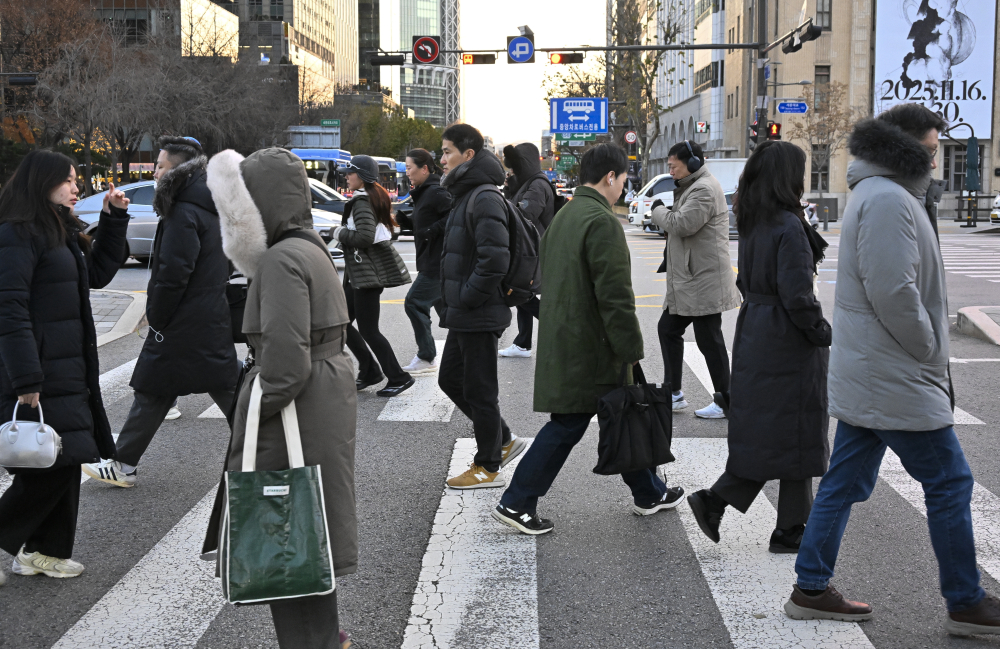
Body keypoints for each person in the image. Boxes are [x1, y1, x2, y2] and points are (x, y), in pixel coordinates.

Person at [786, 104, 1000, 636]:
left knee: (845, 481)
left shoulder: (886, 194)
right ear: (904, 149)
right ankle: (966, 602)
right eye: (931, 149)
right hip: (893, 371)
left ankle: (810, 587)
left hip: (876, 370)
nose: (936, 159)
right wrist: (929, 349)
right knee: (950, 481)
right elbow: (894, 292)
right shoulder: (887, 199)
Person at [205, 147, 356, 649]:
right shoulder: (308, 246)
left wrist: (253, 407)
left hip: (297, 406)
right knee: (307, 526)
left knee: (285, 533)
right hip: (321, 398)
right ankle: (325, 636)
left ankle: (314, 642)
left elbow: (286, 366)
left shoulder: (278, 259)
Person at [492, 144, 684, 534]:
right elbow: (615, 297)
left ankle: (649, 492)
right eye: (624, 179)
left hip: (567, 338)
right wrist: (630, 348)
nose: (623, 187)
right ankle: (517, 501)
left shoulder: (565, 215)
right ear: (610, 177)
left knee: (622, 413)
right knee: (569, 423)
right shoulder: (602, 221)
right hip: (594, 346)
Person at [686, 141, 831, 553]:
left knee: (774, 431)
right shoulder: (789, 225)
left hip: (757, 329)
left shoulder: (755, 220)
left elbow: (749, 280)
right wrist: (820, 330)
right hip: (787, 338)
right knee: (795, 430)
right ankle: (742, 509)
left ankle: (789, 526)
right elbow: (798, 295)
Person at [0, 150, 130, 580]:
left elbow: (97, 275)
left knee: (66, 456)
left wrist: (113, 219)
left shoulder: (59, 229)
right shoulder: (17, 233)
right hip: (38, 368)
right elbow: (9, 309)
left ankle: (45, 551)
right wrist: (26, 377)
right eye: (68, 180)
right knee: (49, 466)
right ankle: (28, 545)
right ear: (42, 182)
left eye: (76, 180)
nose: (77, 188)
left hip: (67, 365)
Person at [84, 136, 237, 488]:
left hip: (181, 320)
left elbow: (173, 272)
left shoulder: (183, 210)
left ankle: (123, 464)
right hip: (205, 314)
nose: (155, 172)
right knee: (166, 390)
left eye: (160, 166)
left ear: (178, 170)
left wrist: (157, 314)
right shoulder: (210, 204)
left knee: (165, 389)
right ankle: (123, 463)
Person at [438, 123, 526, 489]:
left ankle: (488, 466)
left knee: (480, 390)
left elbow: (495, 260)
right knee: (450, 379)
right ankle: (503, 440)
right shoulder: (467, 193)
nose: (442, 159)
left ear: (468, 154)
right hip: (466, 311)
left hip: (479, 311)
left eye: (447, 152)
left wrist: (467, 297)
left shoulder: (484, 196)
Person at [650, 140, 740, 419]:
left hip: (703, 279)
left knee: (709, 340)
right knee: (668, 329)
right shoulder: (691, 186)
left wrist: (657, 210)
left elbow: (681, 224)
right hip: (691, 279)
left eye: (674, 166)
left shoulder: (703, 189)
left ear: (693, 163)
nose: (671, 172)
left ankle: (726, 400)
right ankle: (673, 392)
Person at [333, 155, 415, 397]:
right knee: (341, 323)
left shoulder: (362, 201)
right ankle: (369, 371)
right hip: (359, 274)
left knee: (368, 330)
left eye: (350, 173)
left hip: (366, 276)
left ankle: (398, 377)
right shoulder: (370, 196)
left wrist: (338, 232)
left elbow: (365, 237)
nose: (347, 177)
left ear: (362, 176)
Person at [498, 142, 555, 358]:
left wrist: (509, 192)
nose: (512, 171)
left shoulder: (538, 185)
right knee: (523, 292)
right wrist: (510, 187)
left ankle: (559, 328)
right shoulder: (528, 183)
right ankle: (523, 343)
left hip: (534, 249)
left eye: (515, 167)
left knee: (522, 293)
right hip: (527, 248)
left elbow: (524, 214)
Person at [401, 149, 451, 375]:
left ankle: (426, 355)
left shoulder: (436, 191)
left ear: (424, 169)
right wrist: (405, 222)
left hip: (436, 263)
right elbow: (425, 222)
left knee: (414, 302)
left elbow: (452, 216)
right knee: (448, 315)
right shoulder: (424, 191)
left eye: (409, 167)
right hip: (430, 260)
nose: (407, 172)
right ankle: (466, 352)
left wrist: (432, 230)